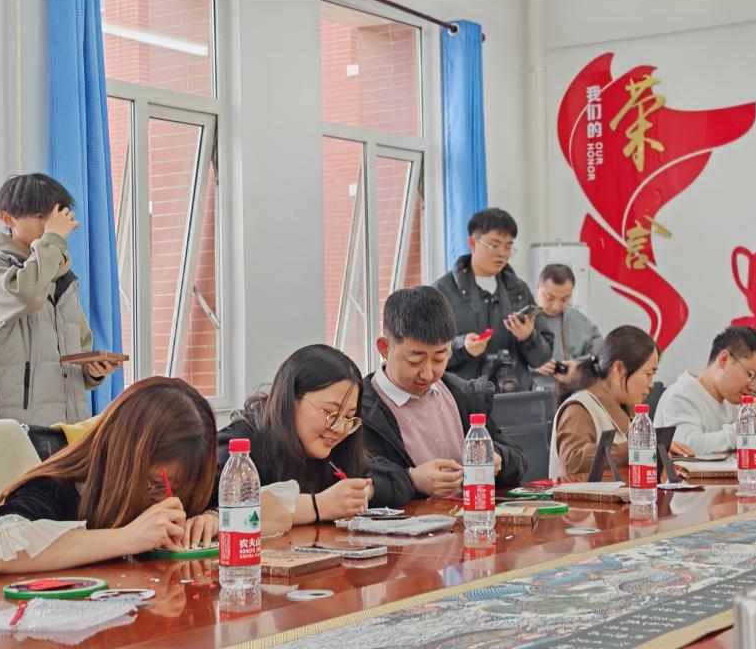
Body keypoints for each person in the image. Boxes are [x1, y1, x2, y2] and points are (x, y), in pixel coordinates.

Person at [0, 378, 217, 575]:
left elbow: (227, 495)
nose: (167, 500)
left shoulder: (186, 472)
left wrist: (212, 517)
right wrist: (129, 537)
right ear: (123, 458)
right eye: (154, 485)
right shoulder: (58, 486)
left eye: (180, 489)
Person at [0, 173, 122, 425]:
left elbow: (78, 352)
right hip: (17, 426)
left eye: (53, 218)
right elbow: (27, 295)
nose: (49, 226)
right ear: (8, 219)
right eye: (40, 217)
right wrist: (52, 242)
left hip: (69, 426)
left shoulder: (62, 276)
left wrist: (93, 371)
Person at [215, 345, 412, 528]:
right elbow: (226, 513)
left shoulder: (334, 450)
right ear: (291, 398)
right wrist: (318, 506)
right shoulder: (239, 447)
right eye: (330, 412)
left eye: (348, 417)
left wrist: (359, 493)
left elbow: (397, 478)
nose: (339, 428)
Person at [361, 286, 527, 501]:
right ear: (385, 348)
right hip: (410, 521)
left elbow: (519, 459)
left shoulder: (461, 393)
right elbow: (358, 483)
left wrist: (497, 459)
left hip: (471, 515)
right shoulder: (361, 408)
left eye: (440, 358)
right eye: (414, 360)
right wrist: (412, 480)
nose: (428, 373)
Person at [548, 325, 692, 479]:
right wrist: (637, 449)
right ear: (618, 369)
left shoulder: (626, 410)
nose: (651, 383)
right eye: (648, 373)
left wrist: (657, 450)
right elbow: (572, 463)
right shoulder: (580, 409)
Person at [433, 207, 551, 392]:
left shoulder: (519, 290)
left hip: (516, 398)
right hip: (463, 399)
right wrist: (462, 347)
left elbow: (542, 358)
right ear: (472, 243)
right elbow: (426, 352)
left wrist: (528, 337)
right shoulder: (442, 292)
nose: (502, 253)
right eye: (494, 245)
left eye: (508, 246)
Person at [654, 326, 756, 454]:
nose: (753, 387)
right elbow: (688, 447)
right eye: (751, 375)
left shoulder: (730, 400)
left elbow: (744, 438)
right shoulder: (680, 395)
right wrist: (744, 426)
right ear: (723, 359)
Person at [531, 263, 604, 388]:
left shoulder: (580, 321)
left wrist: (579, 366)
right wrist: (531, 364)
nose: (556, 306)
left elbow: (602, 354)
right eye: (549, 298)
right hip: (530, 394)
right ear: (538, 287)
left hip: (573, 391)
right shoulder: (522, 320)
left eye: (564, 299)